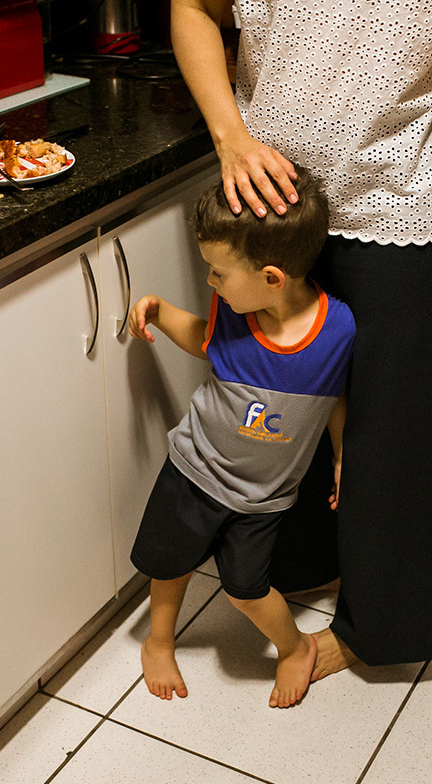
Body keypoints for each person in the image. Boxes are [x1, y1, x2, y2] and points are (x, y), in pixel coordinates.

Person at [170, 0, 432, 678]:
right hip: (271, 190)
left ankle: (375, 629)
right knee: (281, 393)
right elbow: (191, 7)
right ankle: (305, 564)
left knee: (390, 425)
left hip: (399, 197)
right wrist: (230, 138)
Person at [127, 167, 355, 708]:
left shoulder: (337, 330)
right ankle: (159, 641)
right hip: (195, 468)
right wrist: (159, 313)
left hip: (263, 497)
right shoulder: (231, 314)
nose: (210, 282)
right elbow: (204, 343)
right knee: (171, 560)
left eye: (217, 273)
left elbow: (335, 400)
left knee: (246, 587)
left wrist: (343, 457)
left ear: (272, 277)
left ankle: (295, 649)